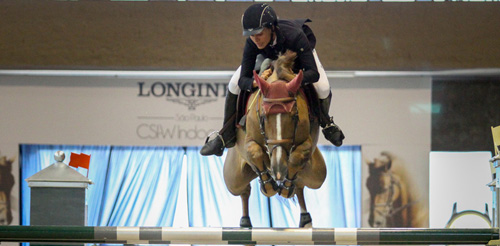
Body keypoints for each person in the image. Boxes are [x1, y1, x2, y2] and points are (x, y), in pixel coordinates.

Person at [201, 3, 344, 156]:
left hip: (297, 54)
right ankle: (225, 134)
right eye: (251, 35)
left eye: (259, 33)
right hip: (268, 55)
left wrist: (291, 82)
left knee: (323, 87)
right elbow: (243, 78)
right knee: (233, 84)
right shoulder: (253, 42)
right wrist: (254, 82)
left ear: (271, 27)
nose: (255, 39)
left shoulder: (295, 35)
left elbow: (313, 73)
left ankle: (326, 122)